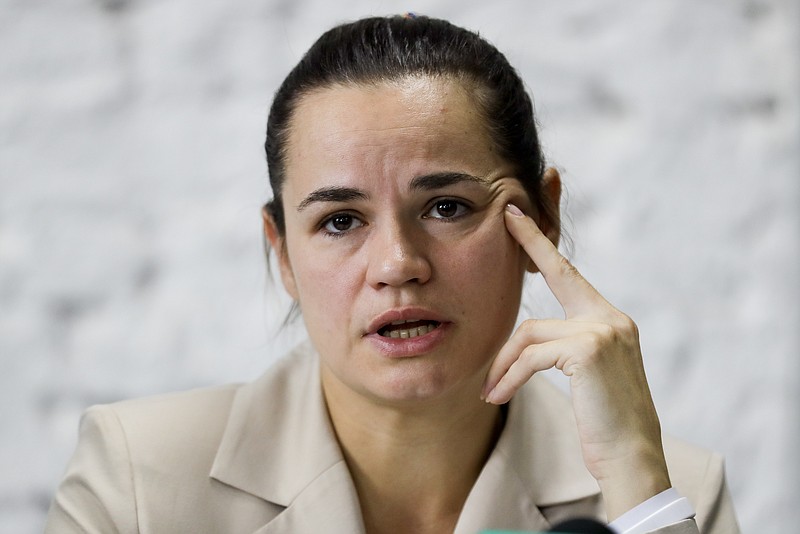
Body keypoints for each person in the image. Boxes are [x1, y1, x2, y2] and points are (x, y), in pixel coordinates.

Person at [45, 14, 740, 534]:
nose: (398, 265)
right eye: (341, 221)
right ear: (282, 252)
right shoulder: (137, 482)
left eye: (445, 206)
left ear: (542, 215)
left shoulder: (672, 490)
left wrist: (635, 478)